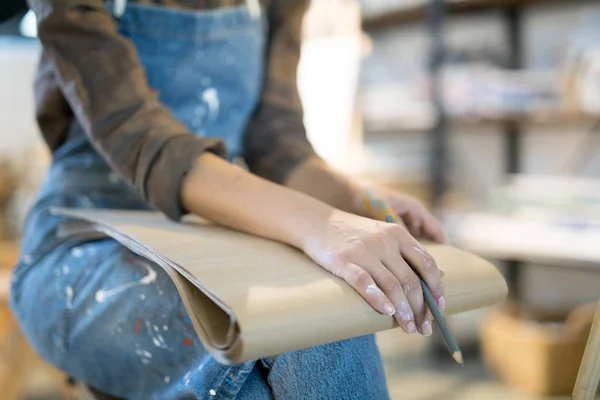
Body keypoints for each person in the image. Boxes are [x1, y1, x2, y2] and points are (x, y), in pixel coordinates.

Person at [10, 0, 448, 399]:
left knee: (324, 312)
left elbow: (276, 141)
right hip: (84, 244)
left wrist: (358, 200)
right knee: (294, 339)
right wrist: (322, 224)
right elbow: (146, 141)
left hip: (207, 240)